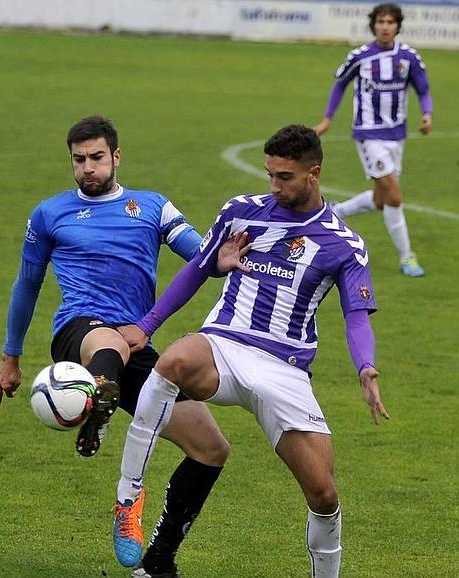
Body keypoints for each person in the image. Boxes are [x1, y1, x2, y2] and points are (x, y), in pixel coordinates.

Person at [114, 124, 390, 577]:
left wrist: (366, 368)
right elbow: (197, 270)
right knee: (173, 361)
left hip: (284, 371)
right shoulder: (241, 212)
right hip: (224, 345)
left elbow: (356, 317)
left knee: (323, 495)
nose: (274, 186)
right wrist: (147, 326)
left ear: (313, 173)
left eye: (284, 177)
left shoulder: (344, 244)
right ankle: (129, 497)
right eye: (270, 175)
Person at [0, 115, 237, 578]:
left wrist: (220, 260)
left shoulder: (152, 206)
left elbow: (198, 254)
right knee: (109, 342)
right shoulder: (49, 213)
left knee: (211, 448)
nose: (87, 168)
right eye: (78, 160)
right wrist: (10, 356)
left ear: (116, 157)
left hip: (135, 342)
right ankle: (97, 406)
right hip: (79, 333)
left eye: (96, 158)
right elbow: (27, 285)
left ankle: (158, 561)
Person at [314, 2, 433, 277]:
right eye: (380, 22)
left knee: (382, 200)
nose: (385, 27)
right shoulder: (360, 56)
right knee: (393, 195)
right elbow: (340, 84)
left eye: (390, 22)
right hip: (368, 134)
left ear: (397, 26)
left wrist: (427, 114)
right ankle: (407, 257)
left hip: (397, 134)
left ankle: (335, 211)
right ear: (373, 25)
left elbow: (423, 89)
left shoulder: (409, 56)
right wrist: (327, 119)